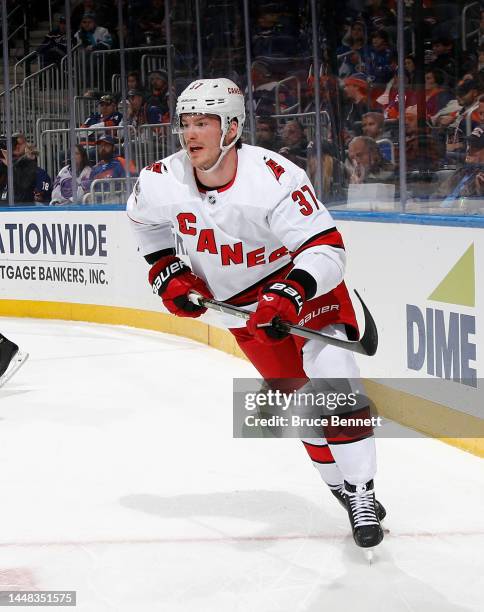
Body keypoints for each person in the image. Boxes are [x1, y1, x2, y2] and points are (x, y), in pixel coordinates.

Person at [127, 78, 386, 551]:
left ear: (231, 127)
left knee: (334, 374)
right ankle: (340, 490)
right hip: (243, 311)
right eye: (185, 123)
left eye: (202, 123)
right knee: (304, 405)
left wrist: (290, 291)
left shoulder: (273, 176)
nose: (191, 134)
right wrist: (167, 271)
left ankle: (364, 492)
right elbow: (145, 226)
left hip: (301, 290)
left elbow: (325, 249)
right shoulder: (161, 180)